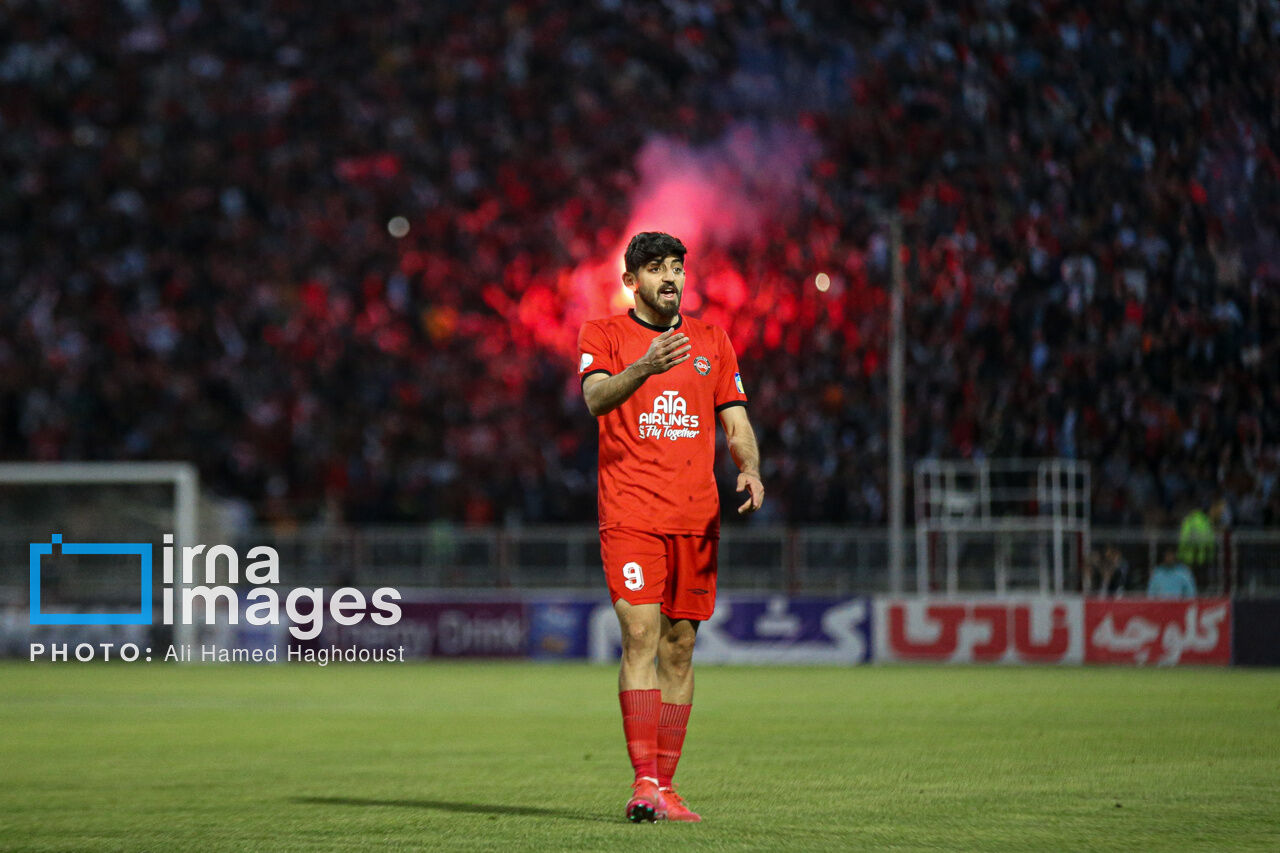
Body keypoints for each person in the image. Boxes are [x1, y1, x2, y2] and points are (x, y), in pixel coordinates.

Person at [577, 232, 764, 823]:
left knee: (680, 648)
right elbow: (595, 399)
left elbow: (736, 420)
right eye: (657, 268)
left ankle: (666, 785)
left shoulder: (713, 340)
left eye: (677, 268)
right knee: (640, 636)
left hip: (695, 517)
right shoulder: (602, 334)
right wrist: (644, 366)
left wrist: (750, 468)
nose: (671, 277)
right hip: (631, 514)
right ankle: (642, 783)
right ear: (631, 281)